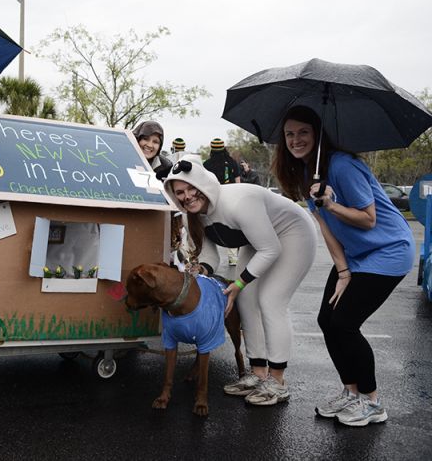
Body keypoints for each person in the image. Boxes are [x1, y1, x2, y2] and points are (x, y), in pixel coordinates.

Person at [273, 105, 415, 426]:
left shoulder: (343, 165)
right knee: (327, 319)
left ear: (318, 134)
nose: (296, 140)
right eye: (290, 134)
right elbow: (326, 227)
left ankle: (372, 402)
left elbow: (369, 219)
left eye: (303, 132)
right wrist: (343, 271)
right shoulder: (309, 174)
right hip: (355, 257)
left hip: (388, 251)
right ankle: (351, 393)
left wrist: (332, 204)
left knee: (345, 324)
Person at [163, 154, 316, 406]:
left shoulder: (239, 202)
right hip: (257, 241)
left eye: (191, 188)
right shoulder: (194, 216)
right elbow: (210, 255)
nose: (187, 196)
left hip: (291, 233)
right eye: (179, 192)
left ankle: (277, 381)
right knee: (246, 301)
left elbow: (270, 249)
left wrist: (239, 282)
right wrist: (199, 268)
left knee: (271, 301)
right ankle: (257, 373)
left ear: (204, 183)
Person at [203, 138, 241, 264]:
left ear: (212, 149)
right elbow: (238, 183)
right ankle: (233, 257)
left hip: (214, 198)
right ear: (224, 148)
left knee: (208, 226)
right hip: (230, 197)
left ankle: (209, 258)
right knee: (231, 226)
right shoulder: (232, 162)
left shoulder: (207, 164)